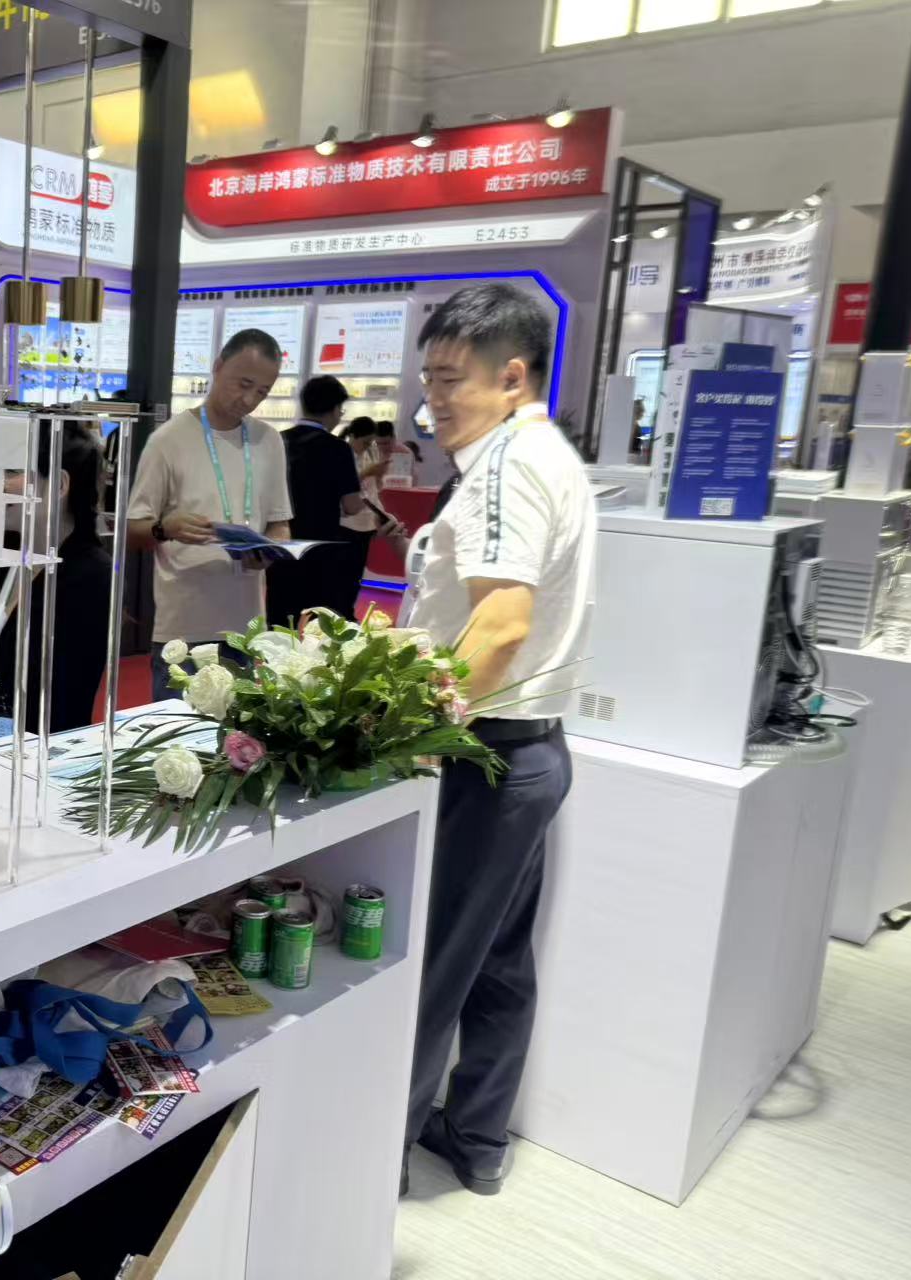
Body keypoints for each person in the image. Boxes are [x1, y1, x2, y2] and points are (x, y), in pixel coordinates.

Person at [401, 283, 595, 1197]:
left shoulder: (507, 465)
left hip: (483, 754)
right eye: (428, 378)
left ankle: (375, 1161)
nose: (432, 399)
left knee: (431, 968)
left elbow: (502, 625)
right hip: (531, 752)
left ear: (511, 376)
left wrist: (409, 735)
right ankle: (477, 1138)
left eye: (451, 379)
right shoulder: (549, 453)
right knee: (497, 961)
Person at [127, 329, 293, 700]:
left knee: (238, 734)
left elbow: (279, 522)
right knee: (178, 731)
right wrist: (164, 528)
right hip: (182, 628)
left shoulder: (269, 441)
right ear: (218, 367)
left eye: (262, 392)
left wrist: (272, 549)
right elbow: (132, 530)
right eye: (243, 384)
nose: (248, 400)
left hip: (246, 628)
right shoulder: (168, 440)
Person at [0, 427, 112, 734]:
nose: (1, 483)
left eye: (13, 472)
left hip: (44, 745)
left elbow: (33, 671)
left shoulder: (90, 573)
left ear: (60, 485)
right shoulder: (3, 555)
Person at [266, 375, 365, 629]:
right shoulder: (338, 449)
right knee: (320, 625)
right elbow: (352, 505)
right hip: (322, 548)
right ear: (334, 409)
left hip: (280, 544)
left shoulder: (277, 441)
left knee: (278, 621)